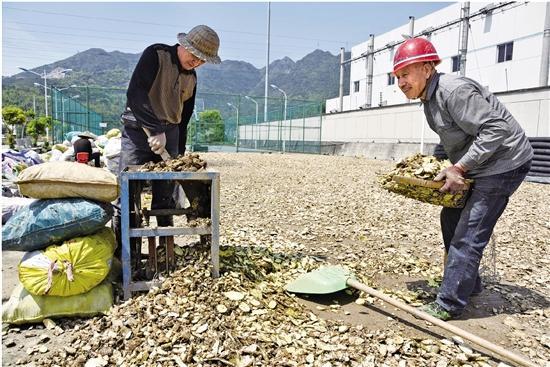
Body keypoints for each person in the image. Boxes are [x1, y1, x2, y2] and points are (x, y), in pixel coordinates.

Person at [392, 38, 533, 320]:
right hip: (481, 164)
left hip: (504, 163)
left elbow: (496, 130)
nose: (401, 82)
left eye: (406, 74)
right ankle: (469, 283)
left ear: (428, 68)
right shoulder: (429, 100)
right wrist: (441, 166)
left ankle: (448, 303)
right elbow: (455, 139)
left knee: (468, 233)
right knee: (451, 218)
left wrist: (461, 167)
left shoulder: (454, 91)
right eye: (397, 77)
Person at [116, 25, 220, 241]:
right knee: (127, 194)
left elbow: (185, 117)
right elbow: (135, 93)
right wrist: (154, 129)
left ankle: (165, 248)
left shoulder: (191, 78)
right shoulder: (156, 55)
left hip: (170, 133)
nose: (197, 62)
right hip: (138, 133)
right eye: (195, 56)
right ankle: (126, 253)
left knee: (165, 196)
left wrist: (179, 152)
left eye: (202, 60)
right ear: (184, 45)